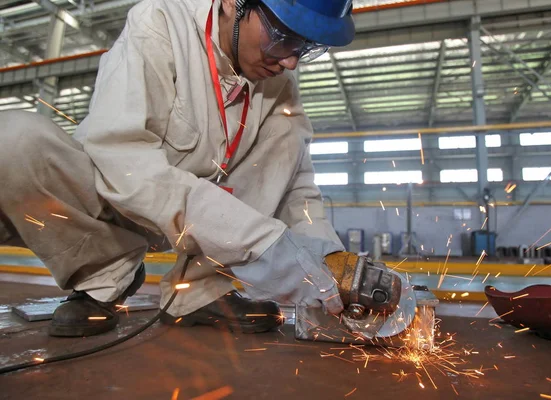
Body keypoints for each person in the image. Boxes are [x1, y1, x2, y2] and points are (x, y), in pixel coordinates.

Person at [0, 0, 355, 337]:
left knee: (283, 143)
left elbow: (296, 186)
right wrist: (264, 245)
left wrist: (332, 263)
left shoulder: (279, 82)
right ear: (233, 3)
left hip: (200, 229)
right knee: (12, 141)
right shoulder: (160, 23)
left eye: (306, 46)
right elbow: (123, 161)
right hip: (112, 203)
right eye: (283, 36)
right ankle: (105, 273)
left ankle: (196, 290)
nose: (291, 61)